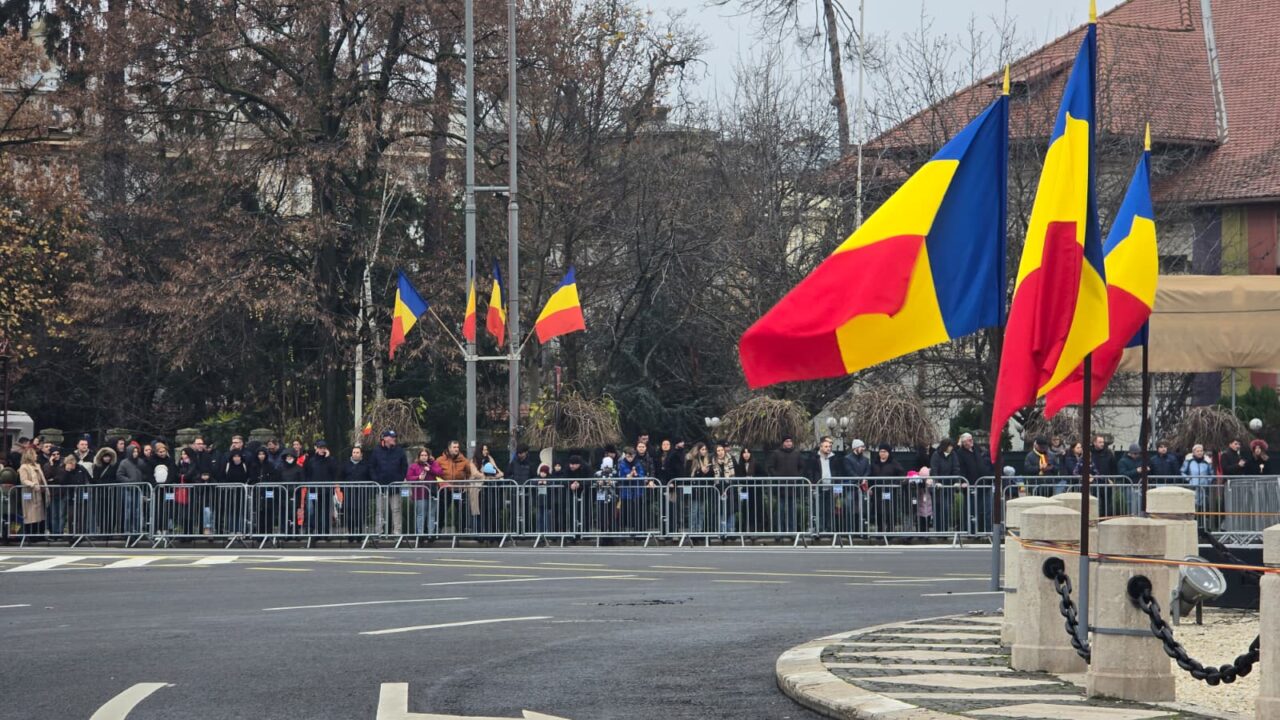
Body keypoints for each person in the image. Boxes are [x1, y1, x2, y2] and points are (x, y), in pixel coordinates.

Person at [767, 436, 804, 532]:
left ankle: (792, 531)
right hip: (781, 487)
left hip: (793, 487)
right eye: (787, 441)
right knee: (780, 510)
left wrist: (797, 477)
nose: (789, 443)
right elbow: (770, 467)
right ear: (783, 443)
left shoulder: (797, 454)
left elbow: (802, 467)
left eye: (790, 441)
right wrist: (777, 477)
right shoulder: (776, 453)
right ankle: (779, 531)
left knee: (792, 510)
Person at [405, 448, 443, 536]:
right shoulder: (414, 466)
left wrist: (430, 469)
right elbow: (408, 477)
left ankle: (431, 534)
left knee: (431, 514)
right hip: (419, 494)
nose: (424, 457)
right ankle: (420, 534)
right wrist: (418, 477)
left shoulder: (433, 464)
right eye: (422, 455)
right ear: (419, 456)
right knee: (421, 515)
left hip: (432, 494)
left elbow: (440, 472)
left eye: (425, 455)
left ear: (428, 456)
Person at [303, 440, 337, 537]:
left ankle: (325, 532)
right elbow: (306, 473)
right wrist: (309, 484)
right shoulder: (311, 460)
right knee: (316, 511)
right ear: (317, 449)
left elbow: (334, 471)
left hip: (326, 490)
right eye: (320, 448)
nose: (322, 450)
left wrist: (328, 458)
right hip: (314, 490)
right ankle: (317, 532)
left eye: (324, 448)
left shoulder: (330, 460)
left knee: (326, 511)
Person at [869, 444, 905, 533]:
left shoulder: (894, 464)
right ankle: (880, 531)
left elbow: (901, 475)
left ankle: (890, 532)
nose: (882, 453)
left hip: (890, 491)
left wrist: (894, 483)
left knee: (890, 512)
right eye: (881, 451)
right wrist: (870, 488)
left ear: (888, 453)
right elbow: (870, 476)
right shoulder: (874, 463)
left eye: (884, 451)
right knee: (879, 512)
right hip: (877, 491)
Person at [928, 438, 961, 532]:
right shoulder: (936, 455)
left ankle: (945, 530)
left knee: (946, 508)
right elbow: (934, 469)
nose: (951, 448)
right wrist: (937, 481)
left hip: (948, 486)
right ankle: (939, 530)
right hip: (938, 487)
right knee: (938, 509)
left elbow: (956, 468)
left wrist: (956, 481)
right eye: (949, 446)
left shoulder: (953, 455)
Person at [341, 445, 374, 537]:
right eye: (354, 452)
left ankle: (359, 534)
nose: (355, 454)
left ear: (361, 454)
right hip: (349, 493)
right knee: (349, 514)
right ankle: (351, 534)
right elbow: (341, 477)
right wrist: (343, 489)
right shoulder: (346, 465)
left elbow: (370, 478)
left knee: (360, 515)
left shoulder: (366, 465)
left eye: (357, 452)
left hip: (361, 494)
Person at [18, 448, 48, 538]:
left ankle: (40, 535)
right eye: (35, 454)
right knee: (30, 515)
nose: (36, 455)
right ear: (30, 455)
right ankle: (31, 536)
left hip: (38, 493)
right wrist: (33, 484)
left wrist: (44, 487)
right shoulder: (24, 467)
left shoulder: (37, 466)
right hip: (29, 493)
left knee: (39, 515)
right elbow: (24, 480)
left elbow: (41, 478)